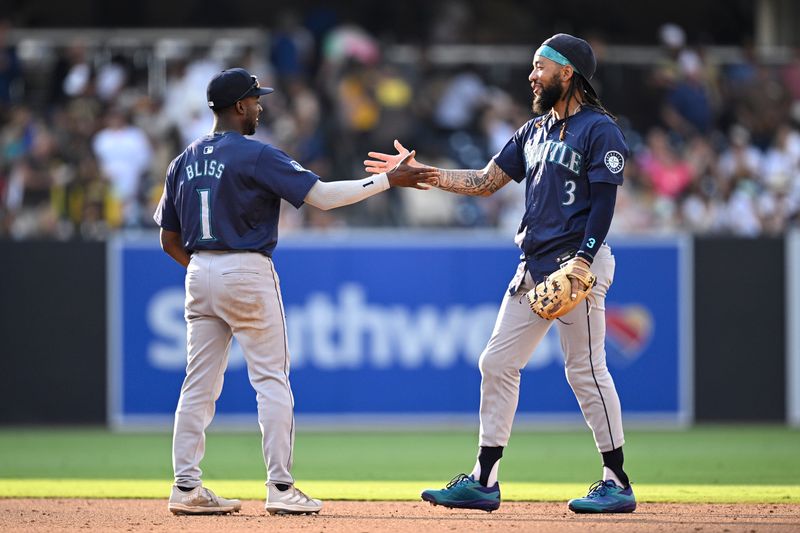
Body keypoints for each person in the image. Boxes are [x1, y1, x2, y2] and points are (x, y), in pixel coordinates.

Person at [365, 34, 635, 514]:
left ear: (567, 73)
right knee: (496, 363)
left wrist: (584, 260)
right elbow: (486, 182)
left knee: (586, 370)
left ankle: (616, 480)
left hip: (575, 266)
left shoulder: (600, 130)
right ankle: (484, 480)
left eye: (541, 66)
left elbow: (604, 204)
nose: (532, 75)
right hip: (533, 268)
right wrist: (425, 174)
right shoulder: (533, 132)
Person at [154, 67, 435, 516]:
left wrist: (205, 270)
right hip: (245, 268)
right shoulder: (256, 155)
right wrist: (387, 180)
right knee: (270, 378)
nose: (260, 106)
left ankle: (186, 486)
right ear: (239, 106)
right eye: (255, 99)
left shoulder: (182, 160)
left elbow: (168, 238)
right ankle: (281, 488)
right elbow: (322, 197)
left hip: (198, 271)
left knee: (198, 385)